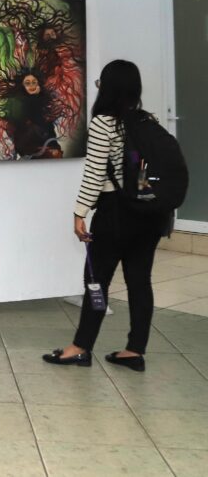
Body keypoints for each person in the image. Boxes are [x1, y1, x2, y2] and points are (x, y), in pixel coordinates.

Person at [43, 60, 164, 371]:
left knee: (96, 281)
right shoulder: (147, 120)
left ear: (107, 88)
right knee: (140, 282)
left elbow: (95, 174)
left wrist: (79, 213)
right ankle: (134, 351)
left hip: (115, 213)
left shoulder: (103, 123)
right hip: (148, 214)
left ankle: (80, 347)